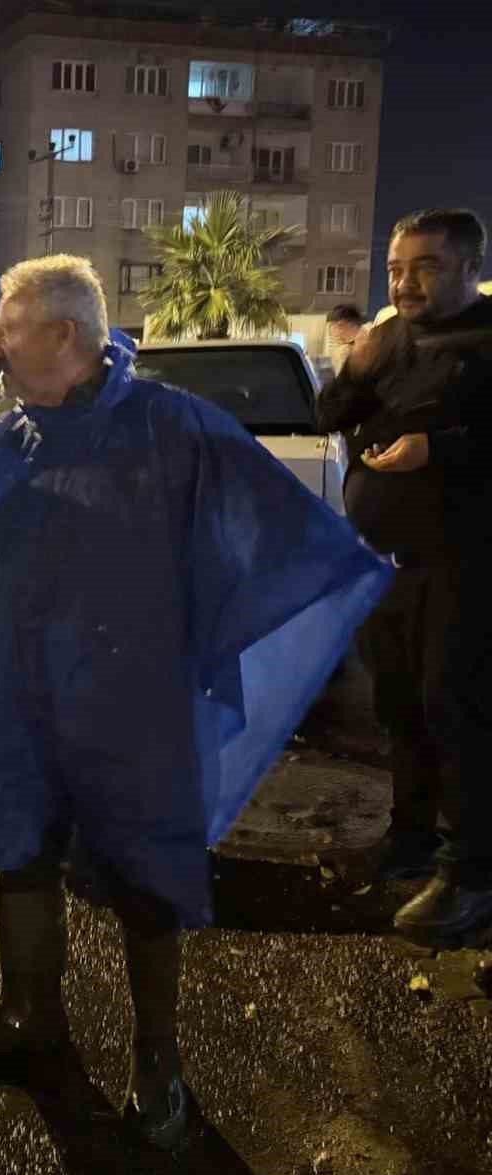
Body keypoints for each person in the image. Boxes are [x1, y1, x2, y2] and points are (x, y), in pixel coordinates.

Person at [0, 256, 389, 1148]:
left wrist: (335, 578)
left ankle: (159, 1063)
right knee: (20, 853)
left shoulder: (171, 428)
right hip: (19, 698)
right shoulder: (12, 436)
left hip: (131, 702)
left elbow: (270, 528)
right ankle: (27, 1020)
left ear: (64, 336)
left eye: (8, 327)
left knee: (146, 871)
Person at [315, 208, 492, 942]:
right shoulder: (391, 338)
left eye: (424, 266)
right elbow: (330, 412)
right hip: (388, 566)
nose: (405, 281)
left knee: (459, 713)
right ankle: (411, 841)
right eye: (394, 268)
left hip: (467, 564)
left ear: (469, 267)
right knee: (401, 708)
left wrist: (439, 450)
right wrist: (355, 367)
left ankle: (474, 875)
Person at [324, 303, 367, 377]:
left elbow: (342, 383)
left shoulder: (344, 352)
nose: (331, 332)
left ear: (342, 324)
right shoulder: (371, 339)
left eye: (332, 326)